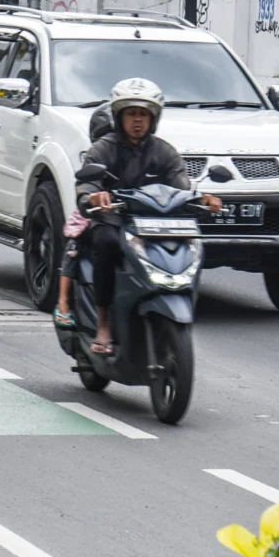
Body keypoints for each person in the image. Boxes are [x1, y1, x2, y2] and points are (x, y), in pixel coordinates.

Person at [75, 79, 222, 355]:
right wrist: (94, 196)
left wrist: (203, 200)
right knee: (105, 243)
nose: (138, 120)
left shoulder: (163, 151)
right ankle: (104, 324)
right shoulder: (102, 149)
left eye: (143, 114)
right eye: (131, 113)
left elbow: (182, 188)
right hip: (115, 221)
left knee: (193, 245)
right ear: (119, 117)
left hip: (155, 224)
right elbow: (86, 188)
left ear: (154, 118)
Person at [54, 103, 115, 329]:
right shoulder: (96, 156)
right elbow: (86, 189)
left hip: (127, 218)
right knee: (73, 250)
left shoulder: (146, 152)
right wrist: (94, 199)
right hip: (95, 215)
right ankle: (62, 302)